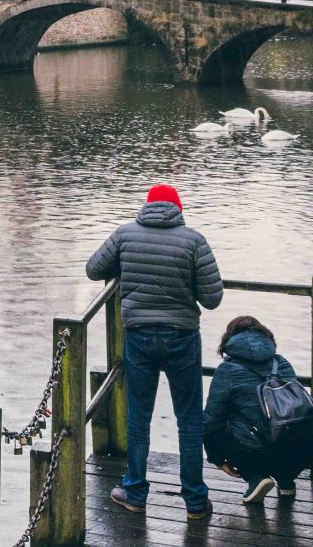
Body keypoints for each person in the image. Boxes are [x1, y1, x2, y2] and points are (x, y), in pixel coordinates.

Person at [86, 183, 223, 521]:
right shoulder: (194, 240)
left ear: (146, 206)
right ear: (178, 209)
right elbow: (213, 298)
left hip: (139, 336)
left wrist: (124, 267)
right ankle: (194, 501)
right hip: (182, 337)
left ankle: (134, 492)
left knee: (139, 415)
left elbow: (92, 269)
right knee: (189, 419)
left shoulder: (124, 235)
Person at [204, 315, 313, 504]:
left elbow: (212, 420)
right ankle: (286, 481)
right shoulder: (282, 363)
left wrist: (217, 459)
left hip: (255, 452)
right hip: (298, 450)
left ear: (229, 341)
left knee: (226, 420)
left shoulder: (227, 370)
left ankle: (256, 478)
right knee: (286, 422)